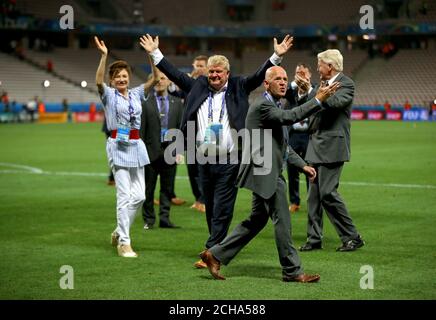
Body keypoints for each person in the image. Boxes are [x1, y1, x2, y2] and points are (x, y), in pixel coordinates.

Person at [140, 33, 294, 269]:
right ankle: (217, 248)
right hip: (203, 158)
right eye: (211, 71)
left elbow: (258, 75)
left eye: (218, 72)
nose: (213, 75)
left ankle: (211, 252)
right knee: (210, 206)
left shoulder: (239, 86)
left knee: (222, 207)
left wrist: (276, 56)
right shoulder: (198, 85)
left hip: (230, 159)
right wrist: (155, 53)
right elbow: (175, 74)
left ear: (227, 74)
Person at [199, 66, 340, 282]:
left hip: (265, 170)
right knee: (283, 220)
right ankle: (292, 271)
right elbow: (292, 116)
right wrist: (318, 100)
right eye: (277, 79)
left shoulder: (274, 105)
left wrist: (302, 165)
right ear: (266, 84)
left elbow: (282, 145)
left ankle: (215, 254)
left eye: (285, 78)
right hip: (266, 172)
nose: (283, 82)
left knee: (256, 220)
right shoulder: (264, 105)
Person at [94, 36, 158, 258]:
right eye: (117, 77)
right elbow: (98, 81)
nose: (121, 79)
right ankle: (124, 242)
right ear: (112, 81)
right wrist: (103, 56)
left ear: (128, 78)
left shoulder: (136, 94)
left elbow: (155, 78)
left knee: (140, 196)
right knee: (123, 196)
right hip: (118, 146)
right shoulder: (109, 95)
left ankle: (118, 231)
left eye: (124, 76)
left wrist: (152, 55)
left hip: (136, 145)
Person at [299, 49, 365, 252]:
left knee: (327, 192)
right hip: (315, 144)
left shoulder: (346, 84)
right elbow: (311, 106)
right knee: (313, 196)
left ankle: (352, 237)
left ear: (330, 66)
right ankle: (314, 238)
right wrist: (305, 93)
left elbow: (335, 103)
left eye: (320, 64)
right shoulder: (321, 86)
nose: (318, 68)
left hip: (332, 146)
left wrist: (313, 91)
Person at [140, 71, 184, 230]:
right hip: (150, 152)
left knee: (167, 188)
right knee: (148, 189)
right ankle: (149, 219)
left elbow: (181, 128)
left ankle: (165, 219)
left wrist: (180, 150)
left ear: (168, 81)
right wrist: (140, 151)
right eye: (155, 79)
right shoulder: (145, 102)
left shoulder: (178, 103)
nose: (159, 81)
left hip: (170, 152)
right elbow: (141, 130)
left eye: (163, 78)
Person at [168, 55, 209, 213]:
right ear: (193, 65)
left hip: (206, 132)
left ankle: (205, 199)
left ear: (206, 67)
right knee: (192, 168)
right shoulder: (188, 82)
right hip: (190, 130)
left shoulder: (209, 84)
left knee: (204, 168)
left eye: (202, 65)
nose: (199, 68)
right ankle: (198, 199)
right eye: (197, 65)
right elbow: (177, 96)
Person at [284, 63, 313, 213]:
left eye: (304, 73)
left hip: (309, 136)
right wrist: (297, 81)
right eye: (298, 73)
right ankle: (294, 201)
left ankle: (312, 199)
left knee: (310, 168)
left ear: (310, 75)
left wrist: (305, 83)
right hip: (293, 135)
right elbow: (285, 91)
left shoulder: (314, 91)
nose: (301, 75)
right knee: (292, 169)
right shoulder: (291, 92)